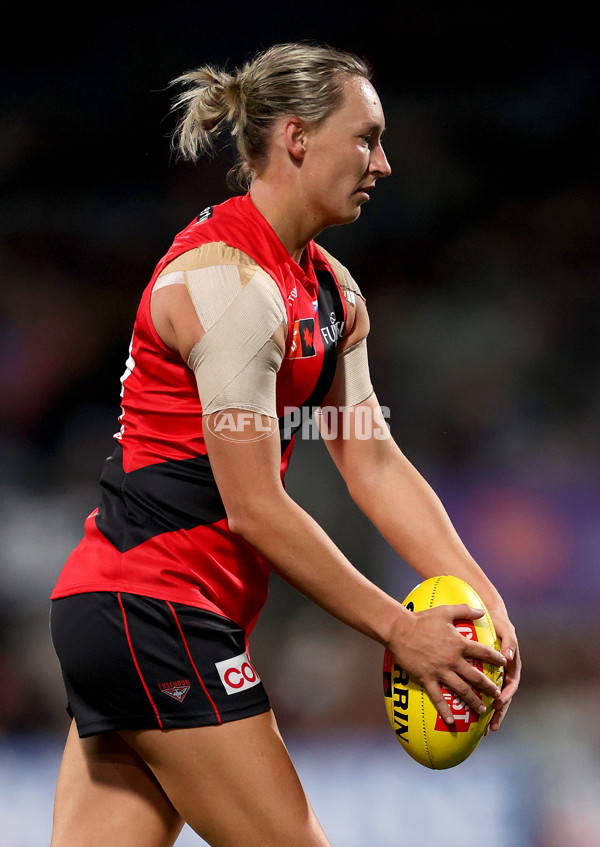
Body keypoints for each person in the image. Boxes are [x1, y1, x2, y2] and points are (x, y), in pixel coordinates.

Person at [49, 41, 520, 847]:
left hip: (133, 612)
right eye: (366, 138)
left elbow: (369, 457)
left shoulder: (329, 294)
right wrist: (400, 629)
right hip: (155, 609)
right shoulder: (228, 286)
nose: (385, 163)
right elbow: (256, 510)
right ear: (297, 138)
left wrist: (482, 597)